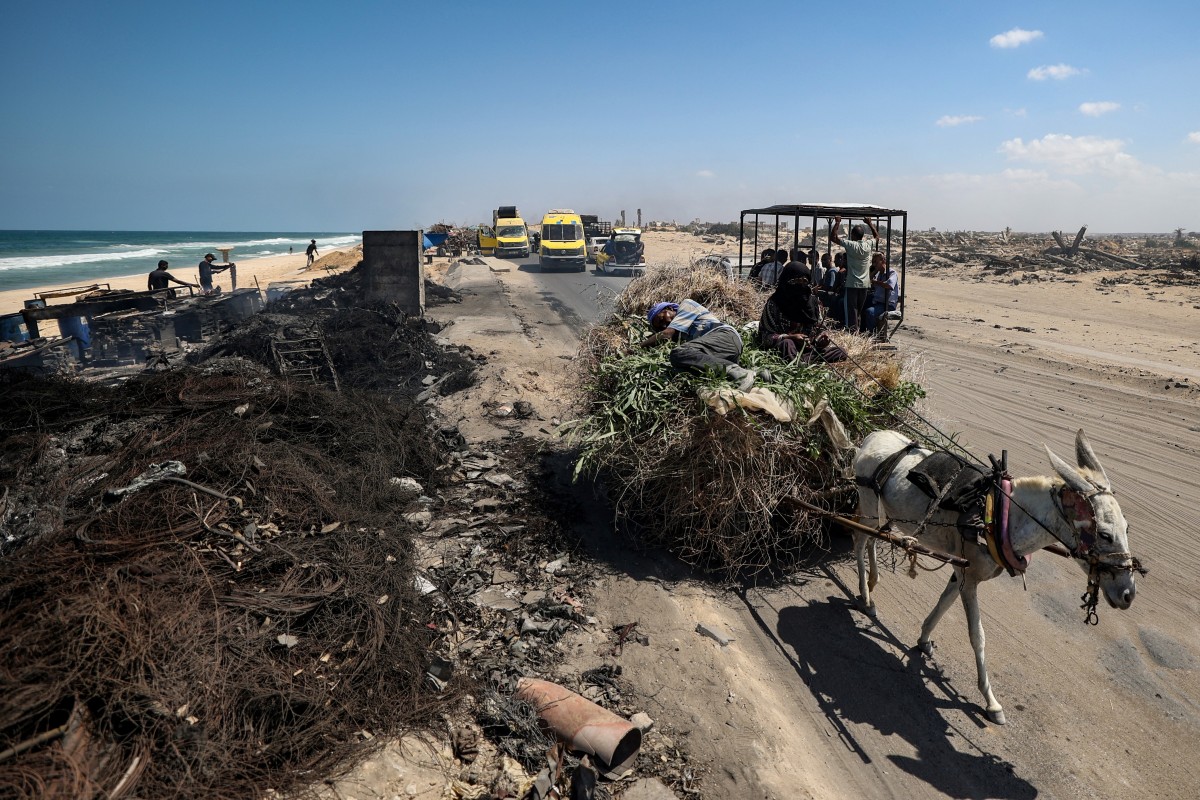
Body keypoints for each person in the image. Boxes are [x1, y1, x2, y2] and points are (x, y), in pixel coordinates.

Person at [640, 299, 756, 391]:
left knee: (678, 353)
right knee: (687, 367)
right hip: (723, 353)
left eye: (662, 319)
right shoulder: (680, 332)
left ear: (669, 308)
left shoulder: (686, 305)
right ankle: (758, 374)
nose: (665, 325)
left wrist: (636, 348)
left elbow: (666, 334)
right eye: (661, 326)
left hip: (725, 336)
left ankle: (741, 373)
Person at [758, 264, 846, 364]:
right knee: (787, 344)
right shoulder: (774, 303)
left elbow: (820, 329)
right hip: (784, 348)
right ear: (785, 281)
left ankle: (801, 361)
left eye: (804, 281)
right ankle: (798, 362)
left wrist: (821, 340)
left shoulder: (813, 303)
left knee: (841, 351)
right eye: (795, 281)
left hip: (808, 350)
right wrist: (790, 337)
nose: (800, 285)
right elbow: (765, 336)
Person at [829, 215, 879, 333]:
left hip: (852, 284)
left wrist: (837, 223)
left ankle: (852, 334)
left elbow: (833, 237)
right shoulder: (868, 245)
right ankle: (856, 333)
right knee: (858, 312)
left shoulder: (851, 245)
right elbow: (877, 237)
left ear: (853, 235)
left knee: (851, 311)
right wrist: (870, 223)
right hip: (864, 285)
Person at [861, 253, 899, 338]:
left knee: (869, 312)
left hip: (887, 304)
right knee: (861, 304)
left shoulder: (891, 273)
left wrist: (876, 282)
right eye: (873, 262)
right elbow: (869, 281)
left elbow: (889, 285)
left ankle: (872, 335)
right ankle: (862, 331)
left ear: (883, 261)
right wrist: (874, 271)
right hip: (878, 301)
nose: (874, 264)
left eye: (876, 262)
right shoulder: (879, 274)